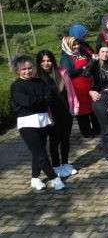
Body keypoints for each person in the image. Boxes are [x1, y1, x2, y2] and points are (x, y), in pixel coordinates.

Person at [10, 55, 66, 191]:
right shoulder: (16, 86)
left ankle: (35, 179)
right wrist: (40, 99)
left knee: (38, 152)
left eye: (29, 68)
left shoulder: (39, 82)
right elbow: (27, 102)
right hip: (27, 123)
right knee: (41, 153)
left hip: (42, 120)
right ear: (18, 70)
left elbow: (49, 97)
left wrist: (38, 100)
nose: (27, 71)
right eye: (23, 69)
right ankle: (54, 178)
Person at [35, 50, 79, 178]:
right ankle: (56, 166)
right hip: (50, 114)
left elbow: (71, 91)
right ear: (39, 63)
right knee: (55, 141)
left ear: (53, 61)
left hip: (65, 111)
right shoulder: (37, 78)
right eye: (43, 61)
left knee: (65, 139)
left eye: (48, 60)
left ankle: (65, 163)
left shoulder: (62, 72)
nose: (46, 63)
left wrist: (75, 106)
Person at [60, 36, 99, 137]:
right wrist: (84, 67)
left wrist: (93, 62)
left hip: (89, 84)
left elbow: (90, 64)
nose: (77, 46)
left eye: (77, 44)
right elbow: (69, 72)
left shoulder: (82, 53)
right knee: (82, 111)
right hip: (77, 88)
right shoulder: (65, 58)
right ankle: (86, 132)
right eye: (73, 45)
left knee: (93, 107)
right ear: (68, 46)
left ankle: (97, 129)